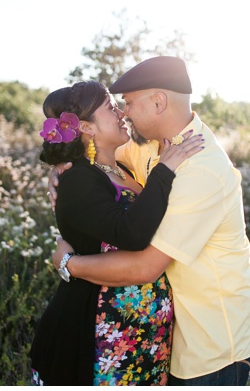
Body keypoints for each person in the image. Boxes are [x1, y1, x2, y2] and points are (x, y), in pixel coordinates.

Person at [50, 56, 250, 386]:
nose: (124, 113)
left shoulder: (200, 167)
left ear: (159, 101)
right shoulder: (152, 147)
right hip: (169, 337)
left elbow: (147, 266)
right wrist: (59, 171)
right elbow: (96, 154)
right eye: (117, 106)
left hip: (210, 343)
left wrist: (67, 263)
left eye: (129, 103)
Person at [30, 80, 203, 385]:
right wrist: (165, 169)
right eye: (110, 107)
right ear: (86, 127)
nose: (121, 113)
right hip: (103, 335)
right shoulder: (77, 180)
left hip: (142, 334)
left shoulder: (122, 169)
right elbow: (131, 234)